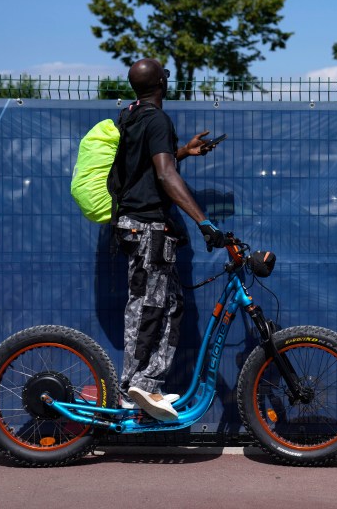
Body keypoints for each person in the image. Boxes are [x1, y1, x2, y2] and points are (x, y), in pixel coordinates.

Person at [111, 57, 225, 421]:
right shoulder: (157, 119)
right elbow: (162, 174)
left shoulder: (131, 117)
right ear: (161, 81)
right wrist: (204, 222)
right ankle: (134, 387)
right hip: (147, 229)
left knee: (170, 305)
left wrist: (183, 152)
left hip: (137, 225)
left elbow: (148, 166)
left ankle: (148, 385)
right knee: (149, 307)